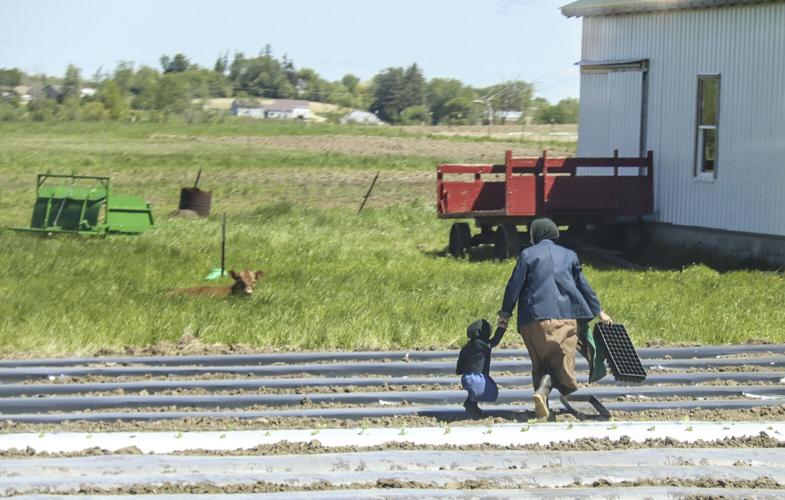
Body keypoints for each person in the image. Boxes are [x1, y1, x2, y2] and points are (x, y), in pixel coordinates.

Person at [491, 218, 612, 419]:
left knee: (540, 363)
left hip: (533, 320)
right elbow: (583, 286)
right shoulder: (570, 256)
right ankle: (550, 393)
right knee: (561, 364)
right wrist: (599, 311)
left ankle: (542, 399)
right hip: (566, 319)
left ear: (536, 234)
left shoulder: (527, 255)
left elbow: (514, 286)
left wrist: (505, 315)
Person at [456, 319, 499, 418]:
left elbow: (460, 365)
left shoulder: (466, 347)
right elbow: (496, 340)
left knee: (474, 391)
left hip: (467, 377)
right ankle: (470, 404)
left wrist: (459, 371)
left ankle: (472, 405)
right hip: (477, 379)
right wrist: (502, 327)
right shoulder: (484, 345)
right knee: (490, 391)